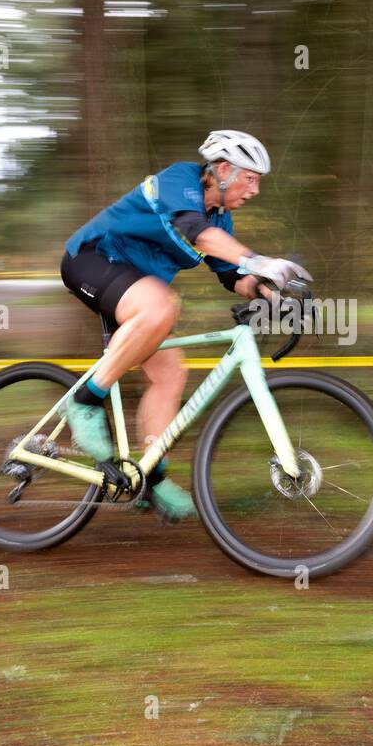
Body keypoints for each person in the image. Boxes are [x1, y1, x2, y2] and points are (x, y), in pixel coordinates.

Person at [59, 129, 311, 520]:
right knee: (163, 307)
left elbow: (234, 276)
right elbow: (199, 234)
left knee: (171, 373)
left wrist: (272, 295)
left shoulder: (221, 221)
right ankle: (84, 402)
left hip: (131, 291)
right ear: (223, 170)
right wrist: (261, 260)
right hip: (92, 260)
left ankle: (150, 475)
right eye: (251, 178)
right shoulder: (180, 181)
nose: (255, 190)